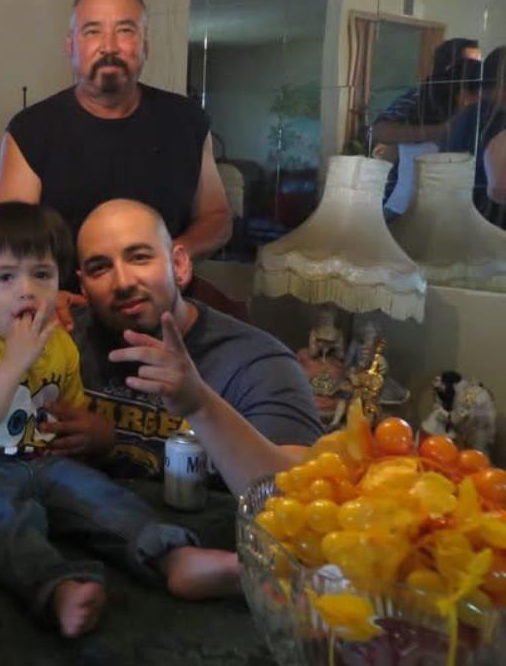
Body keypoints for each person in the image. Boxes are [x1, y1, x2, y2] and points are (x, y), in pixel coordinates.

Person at [0, 202, 240, 639]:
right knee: (1, 519)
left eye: (42, 275)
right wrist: (13, 362)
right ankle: (57, 588)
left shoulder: (62, 347)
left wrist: (86, 443)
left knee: (104, 498)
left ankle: (174, 557)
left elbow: (72, 419)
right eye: (6, 277)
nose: (26, 291)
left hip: (40, 459)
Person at [44, 198, 322, 497]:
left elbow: (297, 496)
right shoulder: (62, 339)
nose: (122, 282)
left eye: (139, 257)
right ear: (83, 287)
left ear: (179, 264)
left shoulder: (258, 362)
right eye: (100, 268)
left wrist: (201, 405)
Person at [0, 0, 231, 261]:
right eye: (92, 31)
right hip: (69, 300)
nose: (109, 46)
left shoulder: (187, 120)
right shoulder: (29, 131)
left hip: (165, 295)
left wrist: (174, 255)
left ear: (146, 46)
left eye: (125, 30)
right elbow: (10, 239)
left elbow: (217, 217)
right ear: (71, 47)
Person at [370, 37, 482, 215]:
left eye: (479, 63)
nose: (477, 69)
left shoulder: (480, 105)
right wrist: (440, 131)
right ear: (448, 66)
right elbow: (378, 131)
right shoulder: (420, 98)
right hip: (403, 207)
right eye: (471, 63)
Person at [448, 46, 506, 223]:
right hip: (491, 229)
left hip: (464, 224)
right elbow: (500, 189)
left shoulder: (469, 115)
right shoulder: (496, 120)